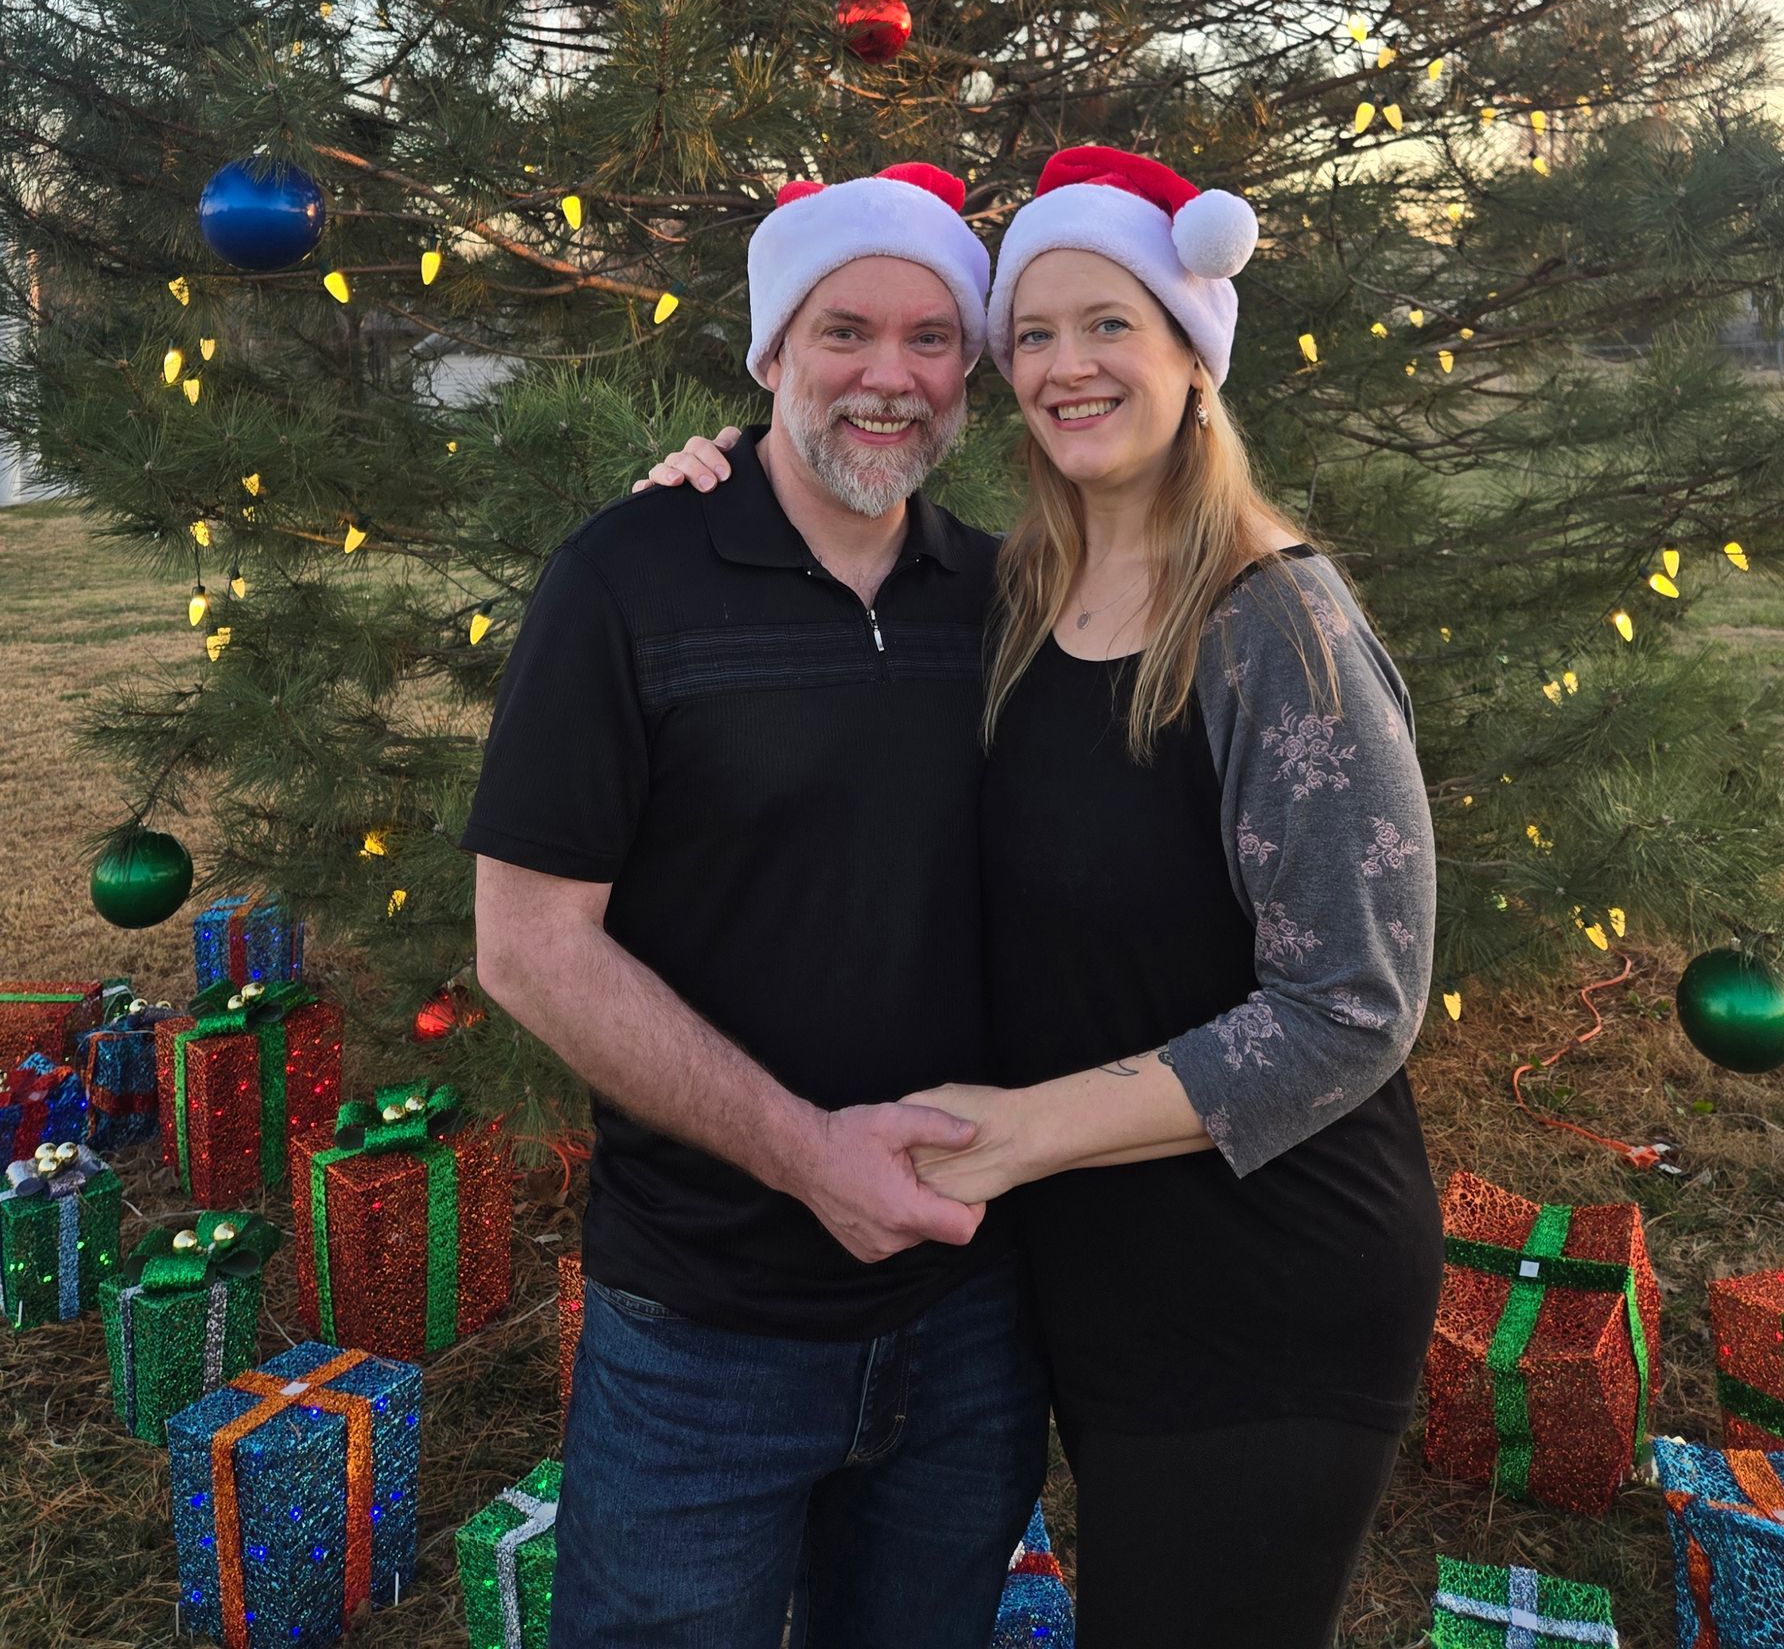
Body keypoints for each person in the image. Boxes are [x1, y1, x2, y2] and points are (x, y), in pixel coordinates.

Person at [645, 145, 1445, 1649]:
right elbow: (821, 536)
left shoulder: (1277, 623)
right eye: (1032, 332)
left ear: (1192, 356)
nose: (1065, 364)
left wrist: (1018, 1133)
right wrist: (712, 481)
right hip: (1085, 1275)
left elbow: (1352, 1005)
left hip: (1265, 1280)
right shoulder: (1015, 594)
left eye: (1109, 324)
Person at [462, 161, 1050, 1649]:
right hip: (704, 1333)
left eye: (932, 339)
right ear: (770, 353)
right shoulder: (624, 581)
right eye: (844, 331)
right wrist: (807, 1157)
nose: (890, 376)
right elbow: (528, 945)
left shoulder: (1006, 599)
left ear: (969, 372)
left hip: (971, 1320)